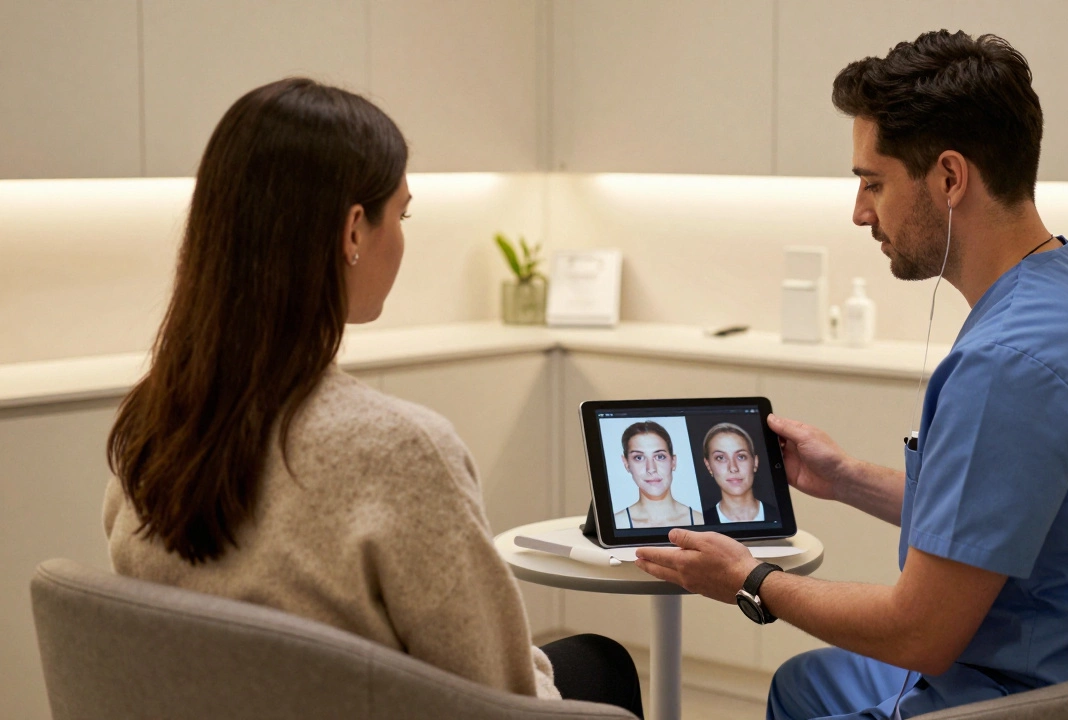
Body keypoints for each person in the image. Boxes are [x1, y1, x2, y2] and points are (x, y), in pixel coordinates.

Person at [635, 30, 1068, 719]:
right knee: (803, 683)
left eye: (874, 182)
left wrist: (750, 579)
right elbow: (1012, 512)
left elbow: (920, 633)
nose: (859, 212)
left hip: (1035, 694)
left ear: (950, 178)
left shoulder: (1007, 364)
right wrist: (846, 478)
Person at [103, 78, 642, 718]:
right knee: (604, 666)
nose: (403, 237)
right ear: (353, 231)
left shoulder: (150, 422)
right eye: (403, 213)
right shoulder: (399, 449)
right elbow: (499, 691)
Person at [614, 421, 705, 529]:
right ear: (626, 464)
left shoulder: (700, 520)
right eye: (639, 457)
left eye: (660, 456)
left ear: (673, 462)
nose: (651, 469)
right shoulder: (617, 524)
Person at [701, 422, 778, 524]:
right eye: (720, 458)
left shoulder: (779, 517)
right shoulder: (701, 523)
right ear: (709, 466)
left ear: (755, 462)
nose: (733, 468)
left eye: (741, 457)